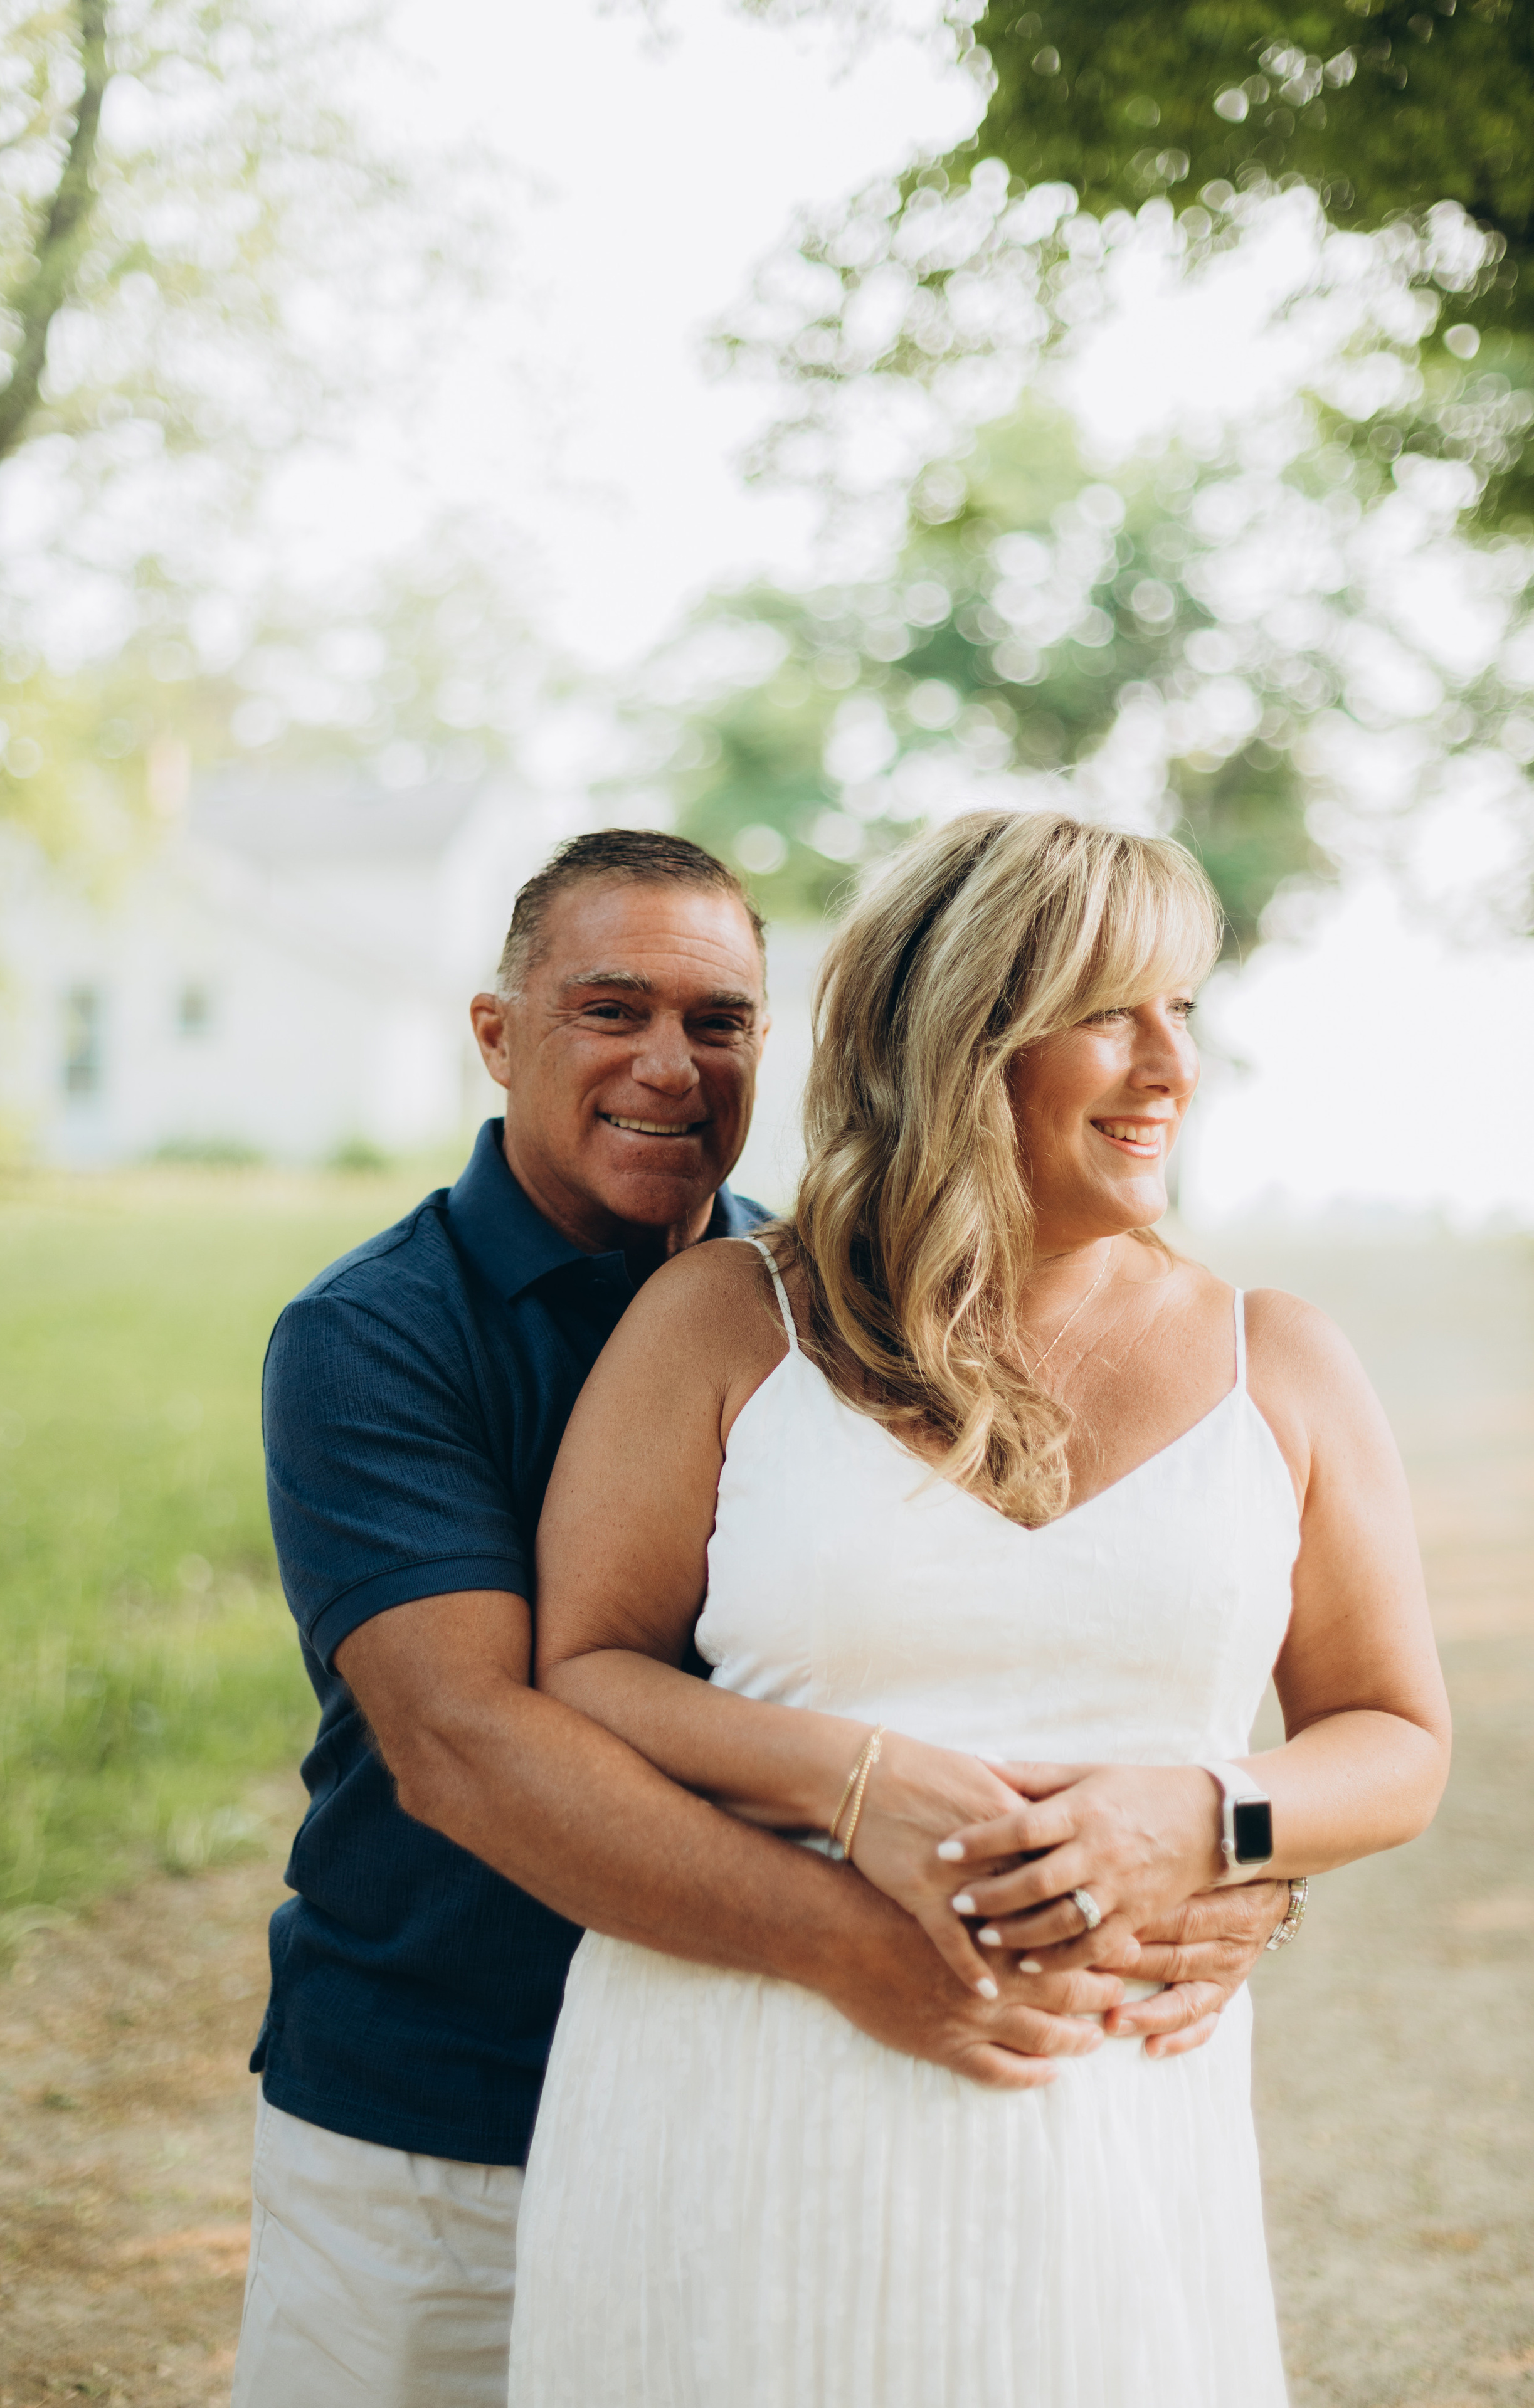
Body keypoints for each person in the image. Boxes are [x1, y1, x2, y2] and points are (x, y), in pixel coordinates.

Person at [233, 826, 1289, 2408]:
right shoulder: (372, 1337)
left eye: (717, 1022)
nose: (670, 1065)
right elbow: (464, 1742)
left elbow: (1047, 1644)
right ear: (496, 1033)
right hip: (440, 2095)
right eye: (611, 1011)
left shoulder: (840, 1307)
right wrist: (870, 1948)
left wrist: (1226, 1856)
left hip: (749, 2071)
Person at [509, 811, 1451, 2408]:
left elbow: (1394, 1742)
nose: (1169, 1066)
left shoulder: (1276, 1360)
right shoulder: (723, 1324)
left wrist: (1208, 1818)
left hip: (1109, 2126)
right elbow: (584, 1672)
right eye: (1107, 1012)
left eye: (1185, 1012)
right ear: (955, 1040)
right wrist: (853, 1785)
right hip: (736, 2086)